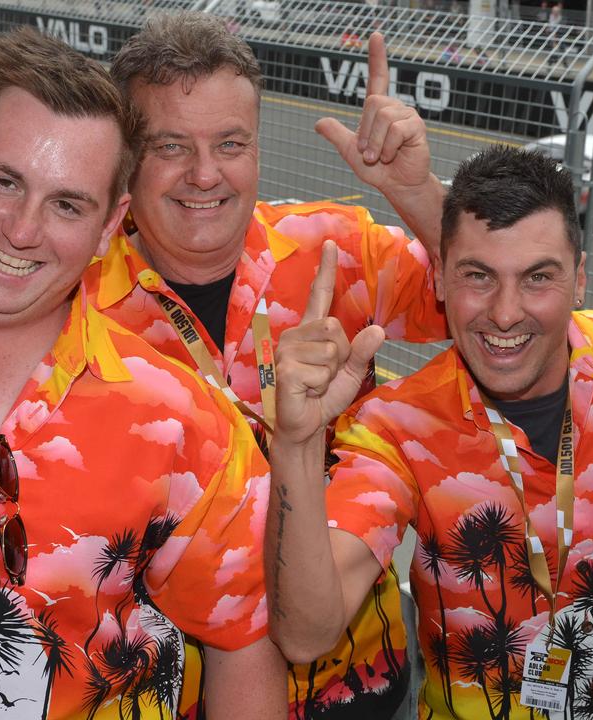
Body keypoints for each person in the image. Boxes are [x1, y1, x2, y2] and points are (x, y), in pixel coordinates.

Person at [0, 27, 283, 719]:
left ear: (110, 225)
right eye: (3, 181)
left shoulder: (184, 421)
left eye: (67, 204)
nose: (23, 230)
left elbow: (245, 643)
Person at [267, 145, 593, 719]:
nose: (505, 313)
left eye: (537, 278)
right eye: (478, 276)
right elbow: (305, 633)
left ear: (579, 281)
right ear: (443, 281)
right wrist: (297, 445)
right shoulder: (395, 427)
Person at [97, 12, 448, 719]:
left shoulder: (335, 247)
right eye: (171, 145)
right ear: (126, 160)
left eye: (230, 143)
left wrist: (414, 192)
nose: (205, 174)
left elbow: (485, 297)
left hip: (368, 684)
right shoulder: (77, 305)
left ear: (258, 148)